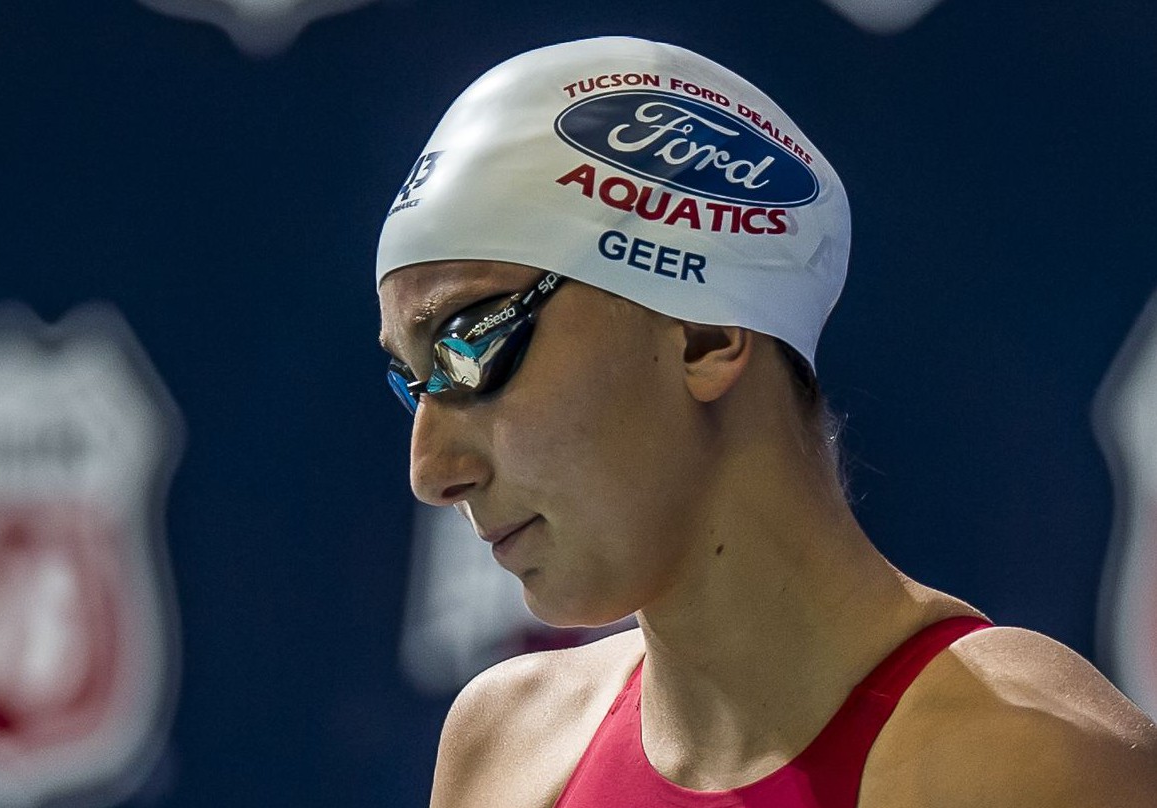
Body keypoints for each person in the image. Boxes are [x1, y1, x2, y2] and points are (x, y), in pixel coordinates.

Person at [375, 36, 1157, 808]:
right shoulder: (507, 748)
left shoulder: (1024, 765)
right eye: (413, 383)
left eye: (473, 345)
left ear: (705, 335)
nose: (431, 471)